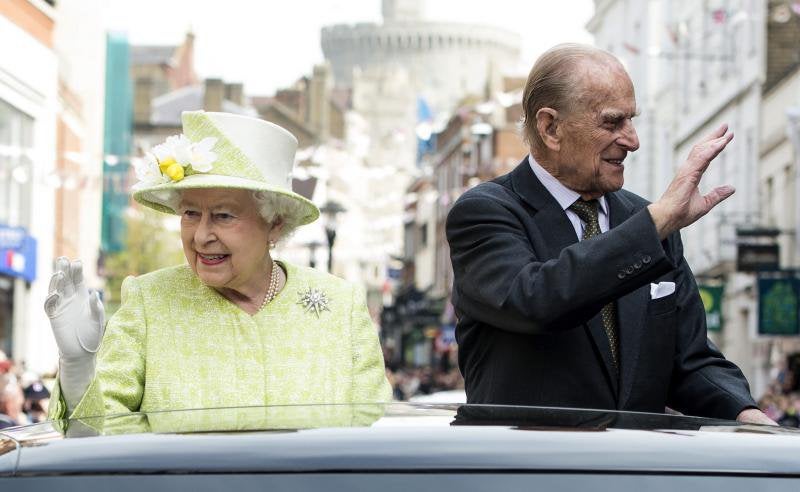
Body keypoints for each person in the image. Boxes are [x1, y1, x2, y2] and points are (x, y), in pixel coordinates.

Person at [445, 44, 773, 424]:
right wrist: (654, 225)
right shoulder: (486, 211)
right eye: (612, 123)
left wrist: (750, 415)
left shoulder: (643, 219)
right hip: (531, 475)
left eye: (632, 121)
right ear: (550, 127)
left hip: (632, 475)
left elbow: (690, 359)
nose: (632, 140)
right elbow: (535, 300)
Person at [45, 111, 391, 420]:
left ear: (275, 223)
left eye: (223, 215)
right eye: (191, 214)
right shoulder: (150, 302)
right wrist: (78, 368)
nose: (201, 236)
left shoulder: (340, 307)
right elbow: (97, 444)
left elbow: (371, 440)